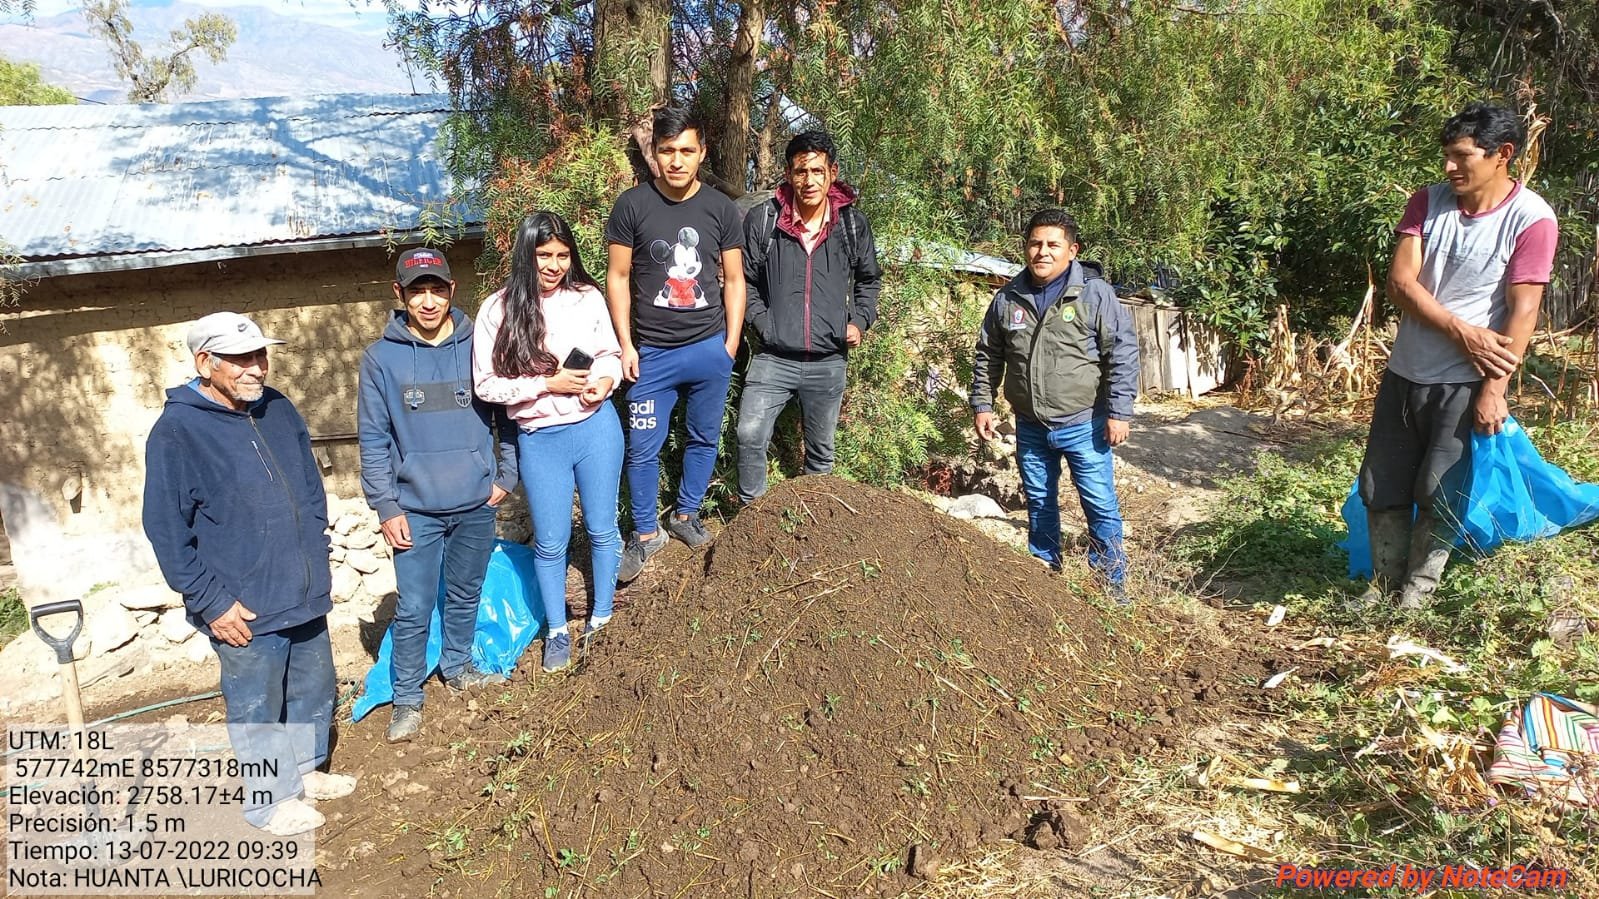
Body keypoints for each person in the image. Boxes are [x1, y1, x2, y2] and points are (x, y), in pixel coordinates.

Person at [143, 311, 356, 836]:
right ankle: (269, 800)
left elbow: (307, 483)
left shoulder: (278, 408)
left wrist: (318, 546)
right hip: (242, 602)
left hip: (301, 586)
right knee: (257, 700)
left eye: (259, 356)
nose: (255, 368)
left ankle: (305, 771)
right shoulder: (177, 432)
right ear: (205, 362)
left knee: (313, 683)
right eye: (239, 359)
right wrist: (209, 601)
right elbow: (166, 530)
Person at [1357, 102, 1558, 611]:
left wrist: (1495, 390)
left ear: (1502, 155)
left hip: (1465, 383)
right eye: (1446, 155)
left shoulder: (1531, 219)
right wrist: (1463, 331)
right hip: (1406, 370)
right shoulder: (1428, 203)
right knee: (1380, 483)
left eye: (1461, 156)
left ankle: (1416, 597)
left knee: (1439, 488)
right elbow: (1402, 283)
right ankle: (1382, 586)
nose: (1449, 167)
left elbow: (1524, 310)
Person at [358, 247, 520, 743]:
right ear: (399, 295)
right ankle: (407, 698)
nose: (427, 301)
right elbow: (374, 438)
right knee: (413, 605)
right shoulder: (380, 359)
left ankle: (458, 666)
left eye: (436, 289)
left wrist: (505, 476)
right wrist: (386, 505)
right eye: (416, 291)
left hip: (474, 502)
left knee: (466, 592)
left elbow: (506, 416)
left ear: (451, 291)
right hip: (415, 511)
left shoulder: (479, 347)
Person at [475, 212, 624, 673]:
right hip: (540, 439)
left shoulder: (587, 298)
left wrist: (605, 381)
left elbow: (610, 355)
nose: (555, 265)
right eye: (544, 256)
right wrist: (546, 386)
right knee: (552, 542)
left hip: (596, 428)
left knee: (602, 529)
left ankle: (602, 619)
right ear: (526, 255)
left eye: (563, 255)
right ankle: (557, 630)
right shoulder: (496, 310)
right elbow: (486, 385)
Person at [605, 106, 747, 580]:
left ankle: (686, 515)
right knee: (642, 448)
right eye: (668, 151)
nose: (677, 161)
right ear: (655, 154)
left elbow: (732, 280)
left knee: (704, 437)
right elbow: (619, 276)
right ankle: (646, 534)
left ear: (702, 153)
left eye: (687, 150)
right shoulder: (632, 206)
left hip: (708, 349)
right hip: (652, 355)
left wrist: (729, 344)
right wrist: (626, 344)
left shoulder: (721, 209)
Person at [970, 209, 1140, 602]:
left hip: (1085, 423)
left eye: (1052, 245)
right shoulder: (1008, 298)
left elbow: (1123, 353)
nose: (1042, 252)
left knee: (1099, 505)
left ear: (1072, 250)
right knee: (1040, 503)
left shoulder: (1094, 294)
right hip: (1030, 425)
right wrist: (983, 402)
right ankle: (1045, 580)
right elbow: (988, 354)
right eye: (1035, 244)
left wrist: (1118, 412)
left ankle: (1110, 590)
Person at [735, 129, 883, 502]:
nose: (809, 181)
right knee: (749, 434)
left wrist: (860, 320)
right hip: (773, 357)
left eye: (818, 171)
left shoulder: (851, 225)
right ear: (789, 173)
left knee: (820, 453)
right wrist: (764, 324)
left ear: (832, 172)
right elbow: (744, 281)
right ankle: (753, 519)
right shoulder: (764, 221)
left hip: (828, 359)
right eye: (801, 171)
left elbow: (869, 280)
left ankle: (813, 528)